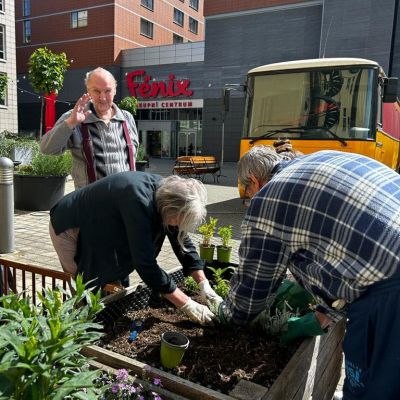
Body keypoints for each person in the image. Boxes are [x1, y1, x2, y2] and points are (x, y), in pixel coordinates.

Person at [211, 146, 400, 399]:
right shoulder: (318, 158)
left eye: (247, 196)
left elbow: (251, 290)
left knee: (373, 386)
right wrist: (324, 313)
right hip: (388, 264)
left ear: (254, 181)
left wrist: (227, 317)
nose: (249, 203)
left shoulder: (269, 198)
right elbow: (345, 251)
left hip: (390, 285)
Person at [49, 172, 221, 325]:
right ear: (169, 210)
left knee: (108, 282)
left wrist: (204, 285)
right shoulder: (140, 201)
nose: (177, 226)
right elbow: (145, 264)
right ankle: (83, 327)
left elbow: (182, 241)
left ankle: (105, 317)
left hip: (101, 226)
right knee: (83, 283)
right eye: (178, 221)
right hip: (70, 226)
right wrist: (187, 304)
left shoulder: (169, 194)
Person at [40, 67, 139, 189]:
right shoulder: (74, 117)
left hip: (126, 198)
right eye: (96, 91)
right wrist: (70, 123)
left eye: (107, 91)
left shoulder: (127, 118)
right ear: (88, 91)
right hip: (90, 202)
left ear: (115, 90)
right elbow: (47, 149)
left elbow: (132, 159)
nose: (102, 98)